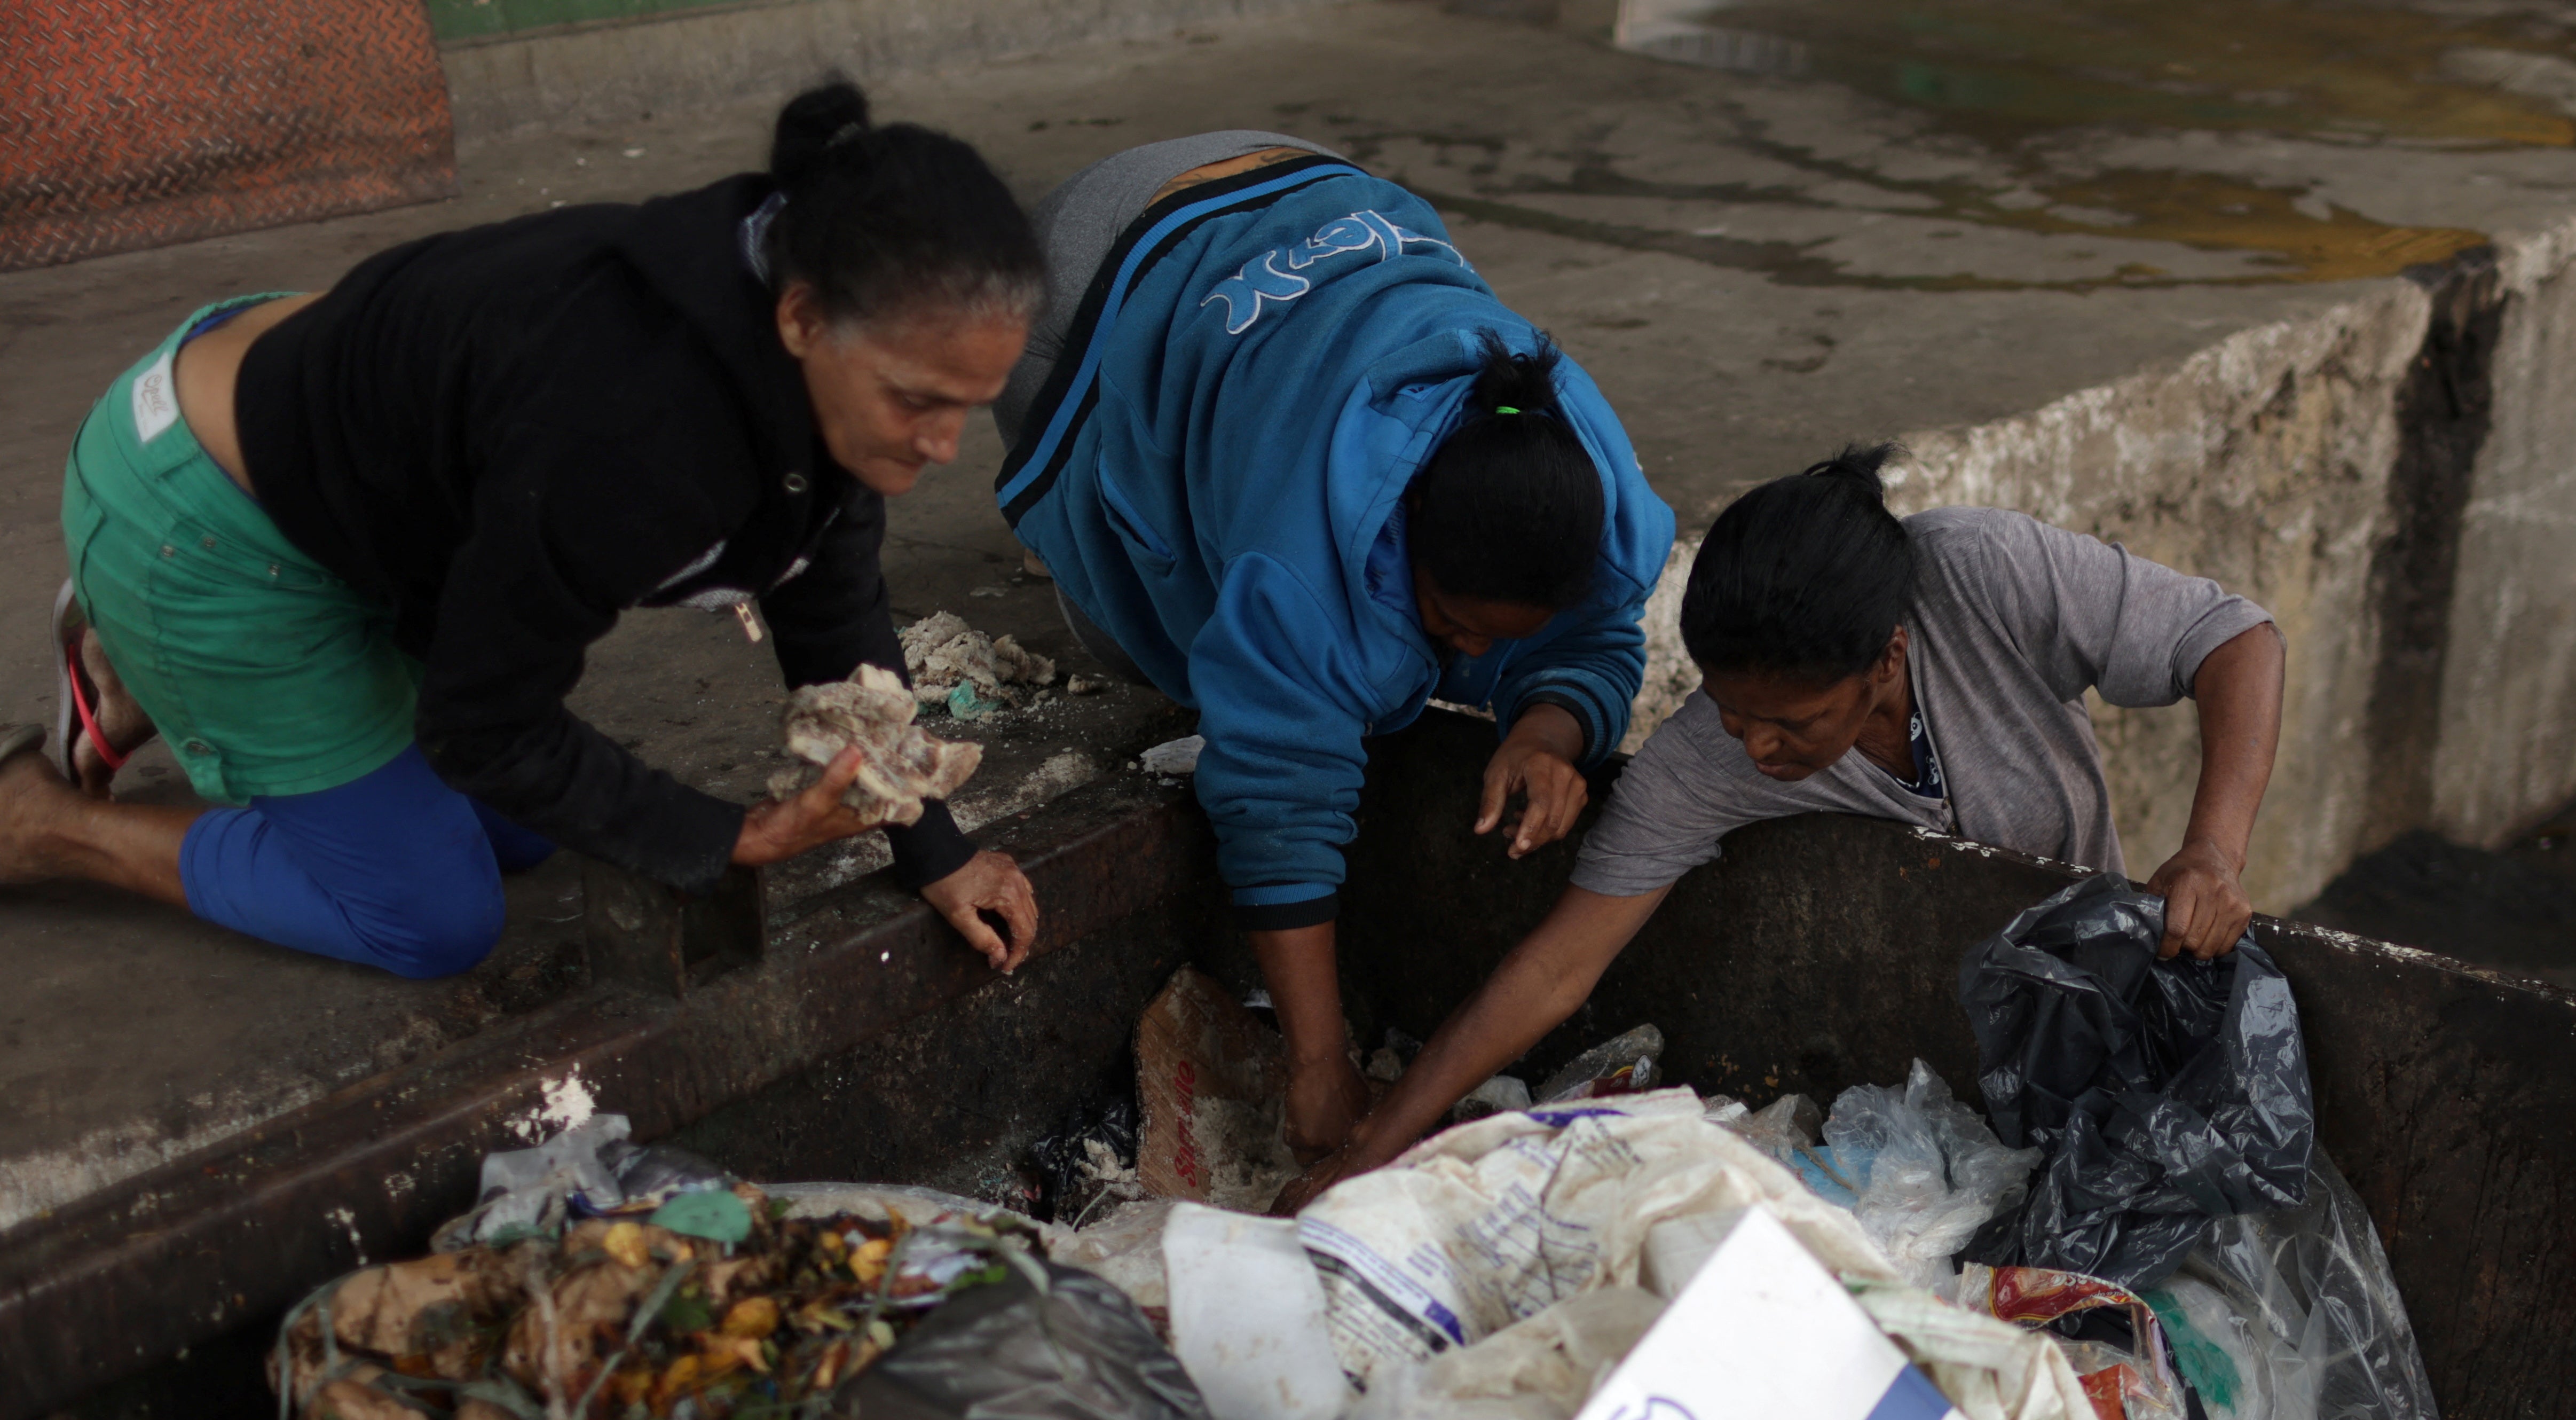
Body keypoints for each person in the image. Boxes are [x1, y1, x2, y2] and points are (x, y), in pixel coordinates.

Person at [1, 81, 1043, 980]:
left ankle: (147, 669)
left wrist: (934, 844)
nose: (945, 446)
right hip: (201, 519)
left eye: (970, 403)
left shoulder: (795, 290)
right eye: (918, 401)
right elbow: (483, 724)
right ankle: (50, 822)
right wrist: (735, 833)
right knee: (434, 918)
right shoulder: (633, 430)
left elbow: (831, 589)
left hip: (328, 452)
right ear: (805, 320)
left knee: (528, 836)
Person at [1284, 444, 2285, 1206]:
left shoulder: (1980, 574)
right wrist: (1372, 1154)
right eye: (1733, 713)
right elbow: (1556, 967)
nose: (1756, 748)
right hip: (1907, 1076)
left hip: (2083, 1011)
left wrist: (2212, 849)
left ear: (1887, 659)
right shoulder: (1707, 762)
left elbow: (2231, 639)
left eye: (1792, 723)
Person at [991, 132, 1674, 1158]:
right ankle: (1127, 444)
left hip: (1301, 176)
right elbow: (1277, 794)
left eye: (1497, 642)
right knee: (1136, 636)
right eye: (1449, 623)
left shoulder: (1587, 491)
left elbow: (1600, 636)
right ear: (1399, 540)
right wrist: (1317, 1062)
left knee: (1301, 631)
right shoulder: (1302, 555)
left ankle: (1215, 421)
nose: (1460, 654)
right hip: (1086, 269)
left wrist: (1550, 727)